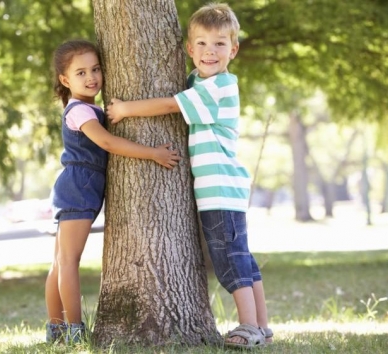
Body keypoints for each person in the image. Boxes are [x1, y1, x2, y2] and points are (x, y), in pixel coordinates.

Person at [106, 3, 272, 349]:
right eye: (201, 43)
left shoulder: (219, 87)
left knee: (230, 259)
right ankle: (262, 325)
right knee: (242, 256)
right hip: (223, 188)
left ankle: (249, 326)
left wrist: (125, 109)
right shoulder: (200, 80)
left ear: (234, 49)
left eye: (219, 44)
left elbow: (170, 105)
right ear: (189, 48)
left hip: (220, 188)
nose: (209, 51)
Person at [46, 39, 180, 345]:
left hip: (79, 187)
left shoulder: (88, 107)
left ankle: (55, 331)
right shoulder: (80, 111)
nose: (91, 77)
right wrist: (152, 153)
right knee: (67, 262)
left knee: (60, 261)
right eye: (80, 73)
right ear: (65, 80)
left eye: (95, 69)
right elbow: (107, 143)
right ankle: (74, 330)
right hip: (78, 188)